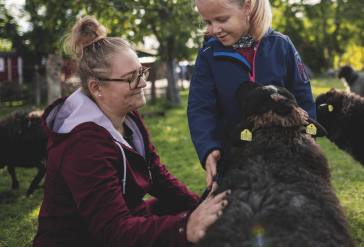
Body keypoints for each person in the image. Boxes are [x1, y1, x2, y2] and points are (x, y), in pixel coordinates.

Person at [33, 16, 230, 247]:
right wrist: (185, 227)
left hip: (128, 222)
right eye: (131, 78)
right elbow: (112, 230)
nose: (143, 83)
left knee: (176, 208)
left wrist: (198, 207)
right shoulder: (83, 145)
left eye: (141, 72)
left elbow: (155, 175)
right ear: (96, 88)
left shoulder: (129, 118)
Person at [187, 0, 316, 191]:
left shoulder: (281, 46)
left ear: (246, 7)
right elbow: (200, 107)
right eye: (207, 22)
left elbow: (302, 95)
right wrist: (208, 148)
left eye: (221, 19)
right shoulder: (208, 56)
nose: (214, 29)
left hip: (284, 154)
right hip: (233, 157)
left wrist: (307, 138)